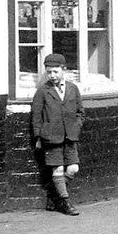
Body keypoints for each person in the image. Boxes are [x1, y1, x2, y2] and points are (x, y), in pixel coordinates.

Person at [31, 53, 84, 216]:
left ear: (64, 70)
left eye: (55, 71)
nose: (52, 75)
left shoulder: (73, 88)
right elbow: (36, 115)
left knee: (73, 168)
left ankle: (54, 196)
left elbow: (80, 112)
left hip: (70, 137)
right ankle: (65, 202)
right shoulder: (43, 91)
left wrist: (76, 126)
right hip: (51, 137)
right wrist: (38, 136)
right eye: (49, 72)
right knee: (58, 170)